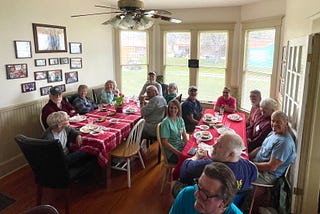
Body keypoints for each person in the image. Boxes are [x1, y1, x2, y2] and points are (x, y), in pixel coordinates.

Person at [178, 133, 257, 205]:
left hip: (206, 205)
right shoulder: (248, 166)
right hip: (233, 205)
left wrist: (196, 157)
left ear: (231, 154)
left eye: (219, 146)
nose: (213, 146)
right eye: (216, 142)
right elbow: (255, 172)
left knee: (176, 183)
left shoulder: (210, 167)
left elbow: (184, 171)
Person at [170, 162, 243, 214]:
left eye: (205, 193)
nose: (196, 194)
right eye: (199, 186)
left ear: (223, 203)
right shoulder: (186, 195)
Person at [251, 111, 296, 185]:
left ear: (286, 124)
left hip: (266, 174)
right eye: (273, 121)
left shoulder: (284, 143)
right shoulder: (274, 132)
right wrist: (247, 156)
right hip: (257, 164)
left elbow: (271, 167)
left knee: (237, 174)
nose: (274, 124)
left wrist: (250, 165)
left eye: (278, 122)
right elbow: (261, 148)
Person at [161, 99, 188, 164]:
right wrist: (178, 153)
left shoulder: (180, 119)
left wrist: (187, 147)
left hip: (180, 146)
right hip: (171, 152)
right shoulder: (166, 122)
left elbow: (184, 136)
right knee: (188, 162)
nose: (173, 110)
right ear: (168, 109)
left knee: (193, 154)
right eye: (171, 108)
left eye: (175, 108)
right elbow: (164, 143)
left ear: (178, 109)